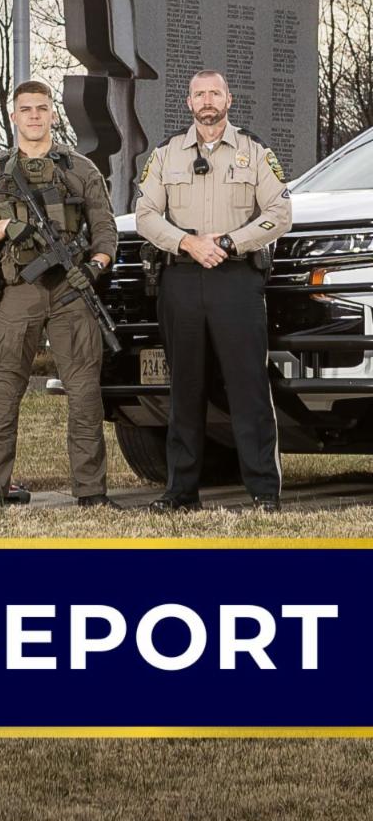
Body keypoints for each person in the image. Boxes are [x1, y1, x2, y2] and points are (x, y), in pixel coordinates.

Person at [135, 69, 291, 513]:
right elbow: (146, 214)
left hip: (236, 279)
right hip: (180, 279)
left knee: (249, 388)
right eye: (199, 94)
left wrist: (228, 242)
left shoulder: (254, 151)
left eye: (215, 93)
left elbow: (280, 212)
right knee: (184, 388)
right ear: (188, 103)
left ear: (229, 100)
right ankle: (181, 493)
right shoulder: (165, 155)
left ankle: (263, 492)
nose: (207, 101)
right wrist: (187, 242)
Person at [0, 80, 117, 510]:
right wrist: (4, 228)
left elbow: (105, 229)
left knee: (84, 389)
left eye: (41, 108)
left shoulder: (80, 168)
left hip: (70, 290)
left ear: (52, 114)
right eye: (25, 109)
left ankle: (91, 493)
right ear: (14, 116)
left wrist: (95, 266)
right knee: (6, 387)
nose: (33, 115)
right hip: (16, 292)